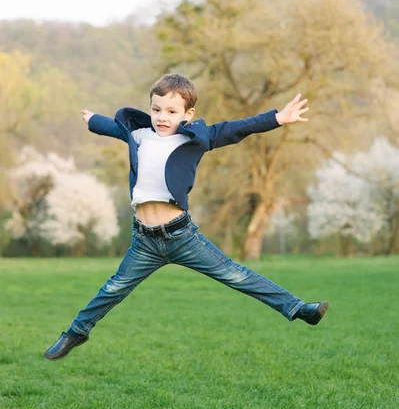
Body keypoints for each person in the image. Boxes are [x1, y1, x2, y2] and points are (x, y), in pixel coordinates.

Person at [44, 73, 328, 360]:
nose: (161, 117)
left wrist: (278, 118)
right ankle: (75, 333)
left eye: (171, 111)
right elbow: (114, 127)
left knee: (235, 275)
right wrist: (92, 119)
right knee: (113, 288)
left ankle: (297, 308)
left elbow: (238, 128)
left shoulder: (196, 139)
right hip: (145, 240)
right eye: (156, 110)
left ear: (188, 114)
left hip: (182, 236)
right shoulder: (140, 136)